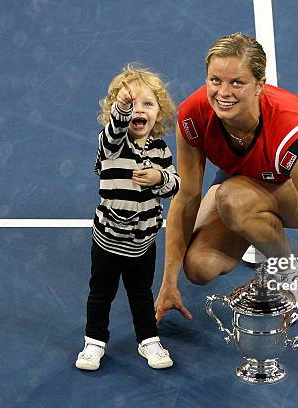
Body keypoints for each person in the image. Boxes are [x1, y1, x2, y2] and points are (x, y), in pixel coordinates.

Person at [154, 33, 298, 338]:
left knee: (233, 200)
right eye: (215, 80)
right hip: (250, 172)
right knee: (198, 266)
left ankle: (288, 272)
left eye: (237, 83)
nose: (223, 92)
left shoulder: (290, 130)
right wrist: (169, 282)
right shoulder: (193, 115)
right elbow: (186, 197)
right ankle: (256, 226)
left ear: (260, 84)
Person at [76, 64, 180, 371]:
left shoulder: (161, 151)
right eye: (130, 104)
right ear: (116, 112)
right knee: (101, 294)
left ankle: (149, 340)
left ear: (159, 113)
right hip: (108, 239)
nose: (139, 110)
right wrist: (122, 108)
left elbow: (176, 183)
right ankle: (94, 342)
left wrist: (158, 177)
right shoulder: (110, 146)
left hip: (144, 243)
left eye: (148, 104)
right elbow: (113, 132)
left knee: (141, 294)